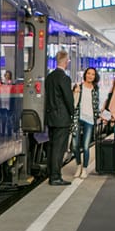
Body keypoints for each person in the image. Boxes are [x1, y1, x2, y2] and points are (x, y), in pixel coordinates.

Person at [44, 49, 75, 186]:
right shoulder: (64, 78)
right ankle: (55, 176)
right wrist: (72, 112)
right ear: (66, 61)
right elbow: (68, 98)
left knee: (51, 146)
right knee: (59, 148)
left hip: (51, 116)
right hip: (62, 117)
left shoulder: (50, 77)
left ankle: (51, 173)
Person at [72, 67, 101, 179]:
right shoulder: (79, 87)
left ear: (95, 77)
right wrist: (75, 93)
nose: (90, 76)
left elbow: (96, 105)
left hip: (89, 120)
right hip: (78, 118)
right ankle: (78, 166)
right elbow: (74, 103)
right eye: (88, 73)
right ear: (85, 75)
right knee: (75, 146)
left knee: (85, 146)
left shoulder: (95, 89)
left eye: (92, 74)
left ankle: (84, 169)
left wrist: (99, 115)